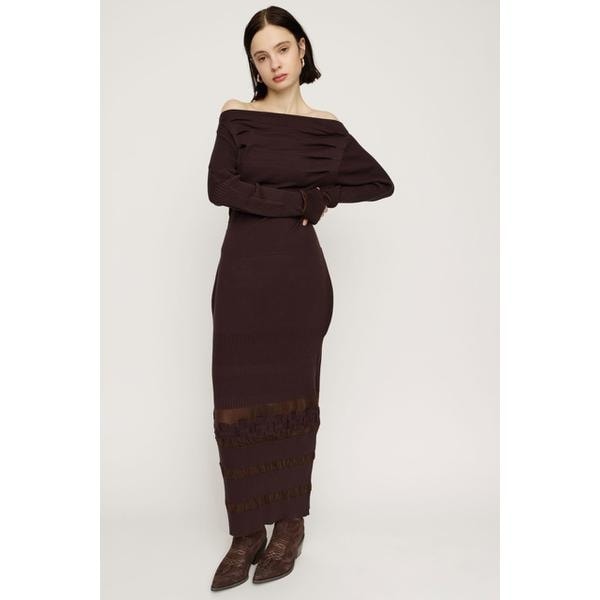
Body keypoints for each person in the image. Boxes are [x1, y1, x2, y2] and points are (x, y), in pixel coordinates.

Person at [207, 6, 394, 591]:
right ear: (253, 64)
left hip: (298, 279)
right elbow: (220, 187)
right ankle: (246, 532)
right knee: (236, 399)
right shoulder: (236, 116)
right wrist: (301, 202)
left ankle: (289, 526)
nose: (274, 64)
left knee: (295, 396)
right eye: (261, 56)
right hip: (242, 275)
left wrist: (322, 196)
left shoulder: (326, 128)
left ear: (302, 48)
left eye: (282, 49)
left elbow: (379, 182)